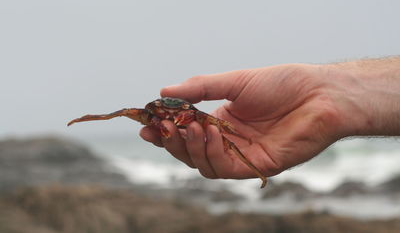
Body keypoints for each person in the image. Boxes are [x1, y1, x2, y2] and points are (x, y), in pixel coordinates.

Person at [140, 57, 400, 181]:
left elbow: (218, 124)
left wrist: (323, 94)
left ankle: (257, 172)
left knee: (226, 139)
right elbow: (136, 113)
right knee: (211, 140)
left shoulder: (196, 115)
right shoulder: (157, 109)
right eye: (166, 108)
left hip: (197, 123)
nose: (172, 111)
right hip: (179, 129)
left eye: (178, 108)